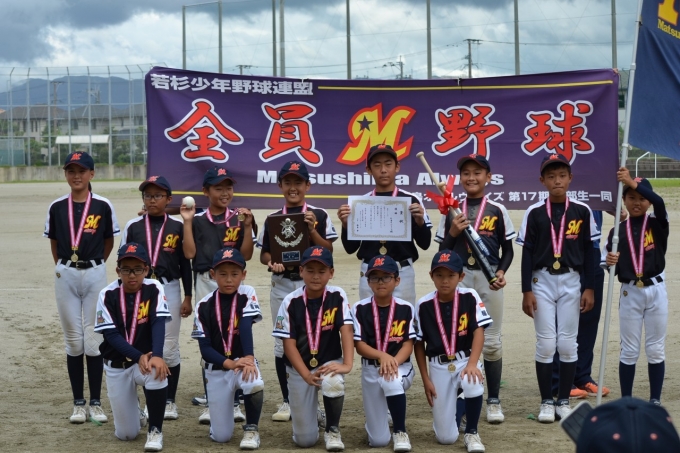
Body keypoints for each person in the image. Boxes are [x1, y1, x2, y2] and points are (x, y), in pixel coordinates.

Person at [516, 154, 599, 423]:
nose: (557, 181)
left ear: (570, 178)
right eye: (551, 176)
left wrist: (589, 288)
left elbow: (590, 252)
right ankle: (546, 401)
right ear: (542, 180)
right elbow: (527, 253)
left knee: (567, 343)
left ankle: (563, 400)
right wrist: (526, 290)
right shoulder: (535, 212)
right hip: (541, 280)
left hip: (572, 280)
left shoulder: (582, 211)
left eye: (562, 175)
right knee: (546, 343)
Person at [434, 154, 515, 423]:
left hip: (489, 278)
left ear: (488, 177)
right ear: (460, 178)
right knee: (459, 340)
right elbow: (442, 252)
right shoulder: (450, 209)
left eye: (477, 172)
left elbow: (508, 250)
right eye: (466, 173)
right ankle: (461, 398)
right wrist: (453, 232)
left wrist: (501, 272)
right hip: (460, 278)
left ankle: (493, 400)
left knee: (491, 341)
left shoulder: (497, 209)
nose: (471, 177)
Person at [257, 160, 337, 422]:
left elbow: (328, 249)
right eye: (288, 182)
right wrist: (272, 262)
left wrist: (312, 229)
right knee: (282, 342)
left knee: (314, 339)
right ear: (280, 185)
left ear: (307, 185)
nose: (293, 187)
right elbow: (264, 253)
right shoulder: (272, 218)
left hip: (311, 284)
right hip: (282, 283)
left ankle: (318, 400)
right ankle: (288, 400)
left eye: (298, 182)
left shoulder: (319, 214)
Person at [43, 151, 119, 424]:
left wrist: (96, 264)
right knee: (74, 341)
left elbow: (109, 240)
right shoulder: (57, 207)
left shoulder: (102, 205)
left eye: (82, 171)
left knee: (94, 340)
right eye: (71, 171)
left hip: (95, 272)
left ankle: (96, 403)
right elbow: (54, 241)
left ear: (91, 174)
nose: (76, 176)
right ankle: (78, 403)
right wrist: (64, 265)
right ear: (65, 174)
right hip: (66, 273)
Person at [181, 166, 256, 424]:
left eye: (228, 187)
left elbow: (246, 255)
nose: (225, 192)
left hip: (233, 282)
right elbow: (189, 254)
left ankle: (235, 399)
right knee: (211, 340)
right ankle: (212, 399)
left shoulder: (239, 217)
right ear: (206, 191)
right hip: (206, 280)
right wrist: (188, 221)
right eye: (218, 188)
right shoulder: (197, 219)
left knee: (234, 335)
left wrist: (247, 227)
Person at [122, 175, 193, 420]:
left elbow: (185, 264)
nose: (152, 200)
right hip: (140, 289)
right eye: (148, 196)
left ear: (169, 199)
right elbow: (122, 263)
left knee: (169, 346)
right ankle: (146, 399)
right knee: (141, 343)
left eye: (158, 196)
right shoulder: (133, 226)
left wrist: (188, 296)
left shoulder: (177, 226)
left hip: (169, 286)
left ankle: (169, 400)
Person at [273, 246, 354, 451]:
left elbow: (346, 329)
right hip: (299, 369)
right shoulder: (291, 301)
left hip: (328, 362)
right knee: (305, 441)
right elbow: (288, 345)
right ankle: (314, 414)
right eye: (310, 270)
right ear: (301, 271)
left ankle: (332, 430)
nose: (316, 276)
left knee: (334, 382)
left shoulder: (337, 295)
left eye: (321, 271)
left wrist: (347, 364)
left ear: (331, 273)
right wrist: (306, 375)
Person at [94, 242, 171, 452]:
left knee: (157, 369)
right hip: (117, 365)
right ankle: (136, 412)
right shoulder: (107, 294)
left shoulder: (154, 288)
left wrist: (157, 355)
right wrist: (138, 356)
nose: (132, 275)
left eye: (137, 269)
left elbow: (158, 323)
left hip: (144, 362)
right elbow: (111, 335)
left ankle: (155, 430)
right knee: (126, 435)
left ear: (146, 270)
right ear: (118, 270)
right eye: (126, 269)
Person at [414, 250, 490, 453]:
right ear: (431, 276)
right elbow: (418, 344)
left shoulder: (469, 296)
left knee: (472, 381)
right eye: (439, 275)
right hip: (438, 364)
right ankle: (460, 403)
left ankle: (472, 432)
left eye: (451, 275)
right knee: (445, 438)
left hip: (465, 359)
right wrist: (425, 379)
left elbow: (479, 331)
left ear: (461, 276)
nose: (445, 280)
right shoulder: (423, 304)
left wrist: (472, 363)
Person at [603, 169, 668, 404]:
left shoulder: (658, 224)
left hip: (656, 290)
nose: (637, 202)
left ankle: (655, 400)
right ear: (624, 200)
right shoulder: (617, 232)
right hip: (630, 291)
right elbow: (609, 267)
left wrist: (631, 182)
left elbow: (660, 202)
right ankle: (627, 401)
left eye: (642, 198)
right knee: (629, 349)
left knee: (655, 348)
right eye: (631, 197)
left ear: (649, 201)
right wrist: (609, 262)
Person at [337, 144, 432, 304]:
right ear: (369, 170)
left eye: (388, 164)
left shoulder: (412, 200)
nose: (383, 170)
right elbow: (350, 248)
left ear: (397, 167)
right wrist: (346, 225)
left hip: (402, 272)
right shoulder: (360, 203)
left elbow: (425, 244)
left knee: (403, 316)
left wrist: (420, 222)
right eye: (377, 165)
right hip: (370, 273)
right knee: (368, 316)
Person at [191, 247, 264, 449]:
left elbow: (245, 325)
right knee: (221, 436)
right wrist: (229, 363)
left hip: (242, 362)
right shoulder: (203, 305)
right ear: (212, 274)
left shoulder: (247, 293)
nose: (229, 279)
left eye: (235, 274)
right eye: (222, 274)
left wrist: (248, 357)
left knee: (254, 382)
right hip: (217, 369)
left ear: (243, 275)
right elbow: (205, 349)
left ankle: (251, 430)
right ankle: (220, 418)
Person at [352, 255, 416, 452]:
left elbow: (408, 344)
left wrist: (392, 362)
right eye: (375, 277)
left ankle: (400, 431)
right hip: (371, 370)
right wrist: (382, 356)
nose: (380, 282)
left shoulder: (405, 308)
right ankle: (379, 418)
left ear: (397, 280)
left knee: (392, 380)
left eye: (386, 277)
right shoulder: (360, 308)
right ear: (368, 281)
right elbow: (359, 345)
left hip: (400, 366)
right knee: (378, 441)